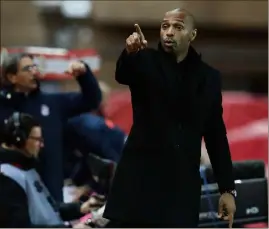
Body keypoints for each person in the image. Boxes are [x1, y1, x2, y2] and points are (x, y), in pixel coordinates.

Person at [103, 8, 236, 228]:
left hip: (180, 194)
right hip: (138, 188)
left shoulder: (209, 78)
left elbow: (216, 137)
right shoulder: (145, 60)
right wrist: (129, 53)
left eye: (178, 27)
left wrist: (227, 190)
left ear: (192, 35)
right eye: (165, 26)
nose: (169, 32)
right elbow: (123, 73)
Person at [0, 53, 102, 201]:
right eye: (28, 68)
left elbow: (91, 100)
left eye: (34, 66)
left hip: (51, 192)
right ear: (12, 77)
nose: (34, 71)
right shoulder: (3, 107)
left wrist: (84, 75)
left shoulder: (51, 103)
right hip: (12, 193)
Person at [0, 112, 101, 227]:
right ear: (19, 139)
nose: (41, 145)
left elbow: (48, 210)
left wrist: (80, 208)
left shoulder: (26, 168)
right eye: (37, 139)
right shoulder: (6, 177)